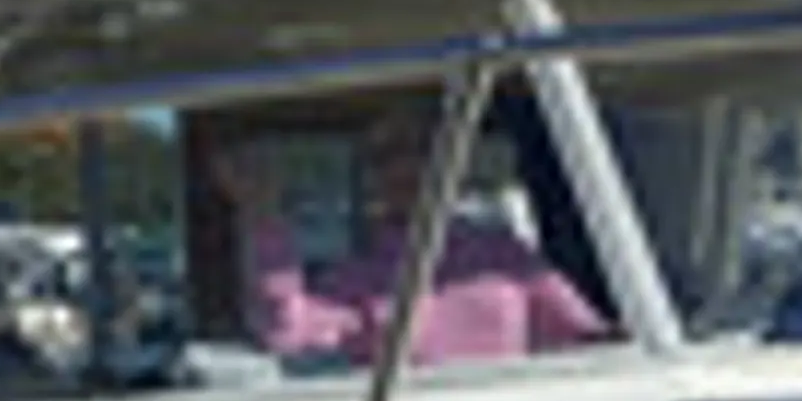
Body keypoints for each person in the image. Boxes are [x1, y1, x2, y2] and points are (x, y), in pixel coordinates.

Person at [238, 117, 613, 368]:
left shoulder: (500, 251)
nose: (405, 169)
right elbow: (284, 332)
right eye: (386, 158)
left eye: (419, 153)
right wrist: (264, 215)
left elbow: (580, 333)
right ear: (368, 178)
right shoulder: (357, 277)